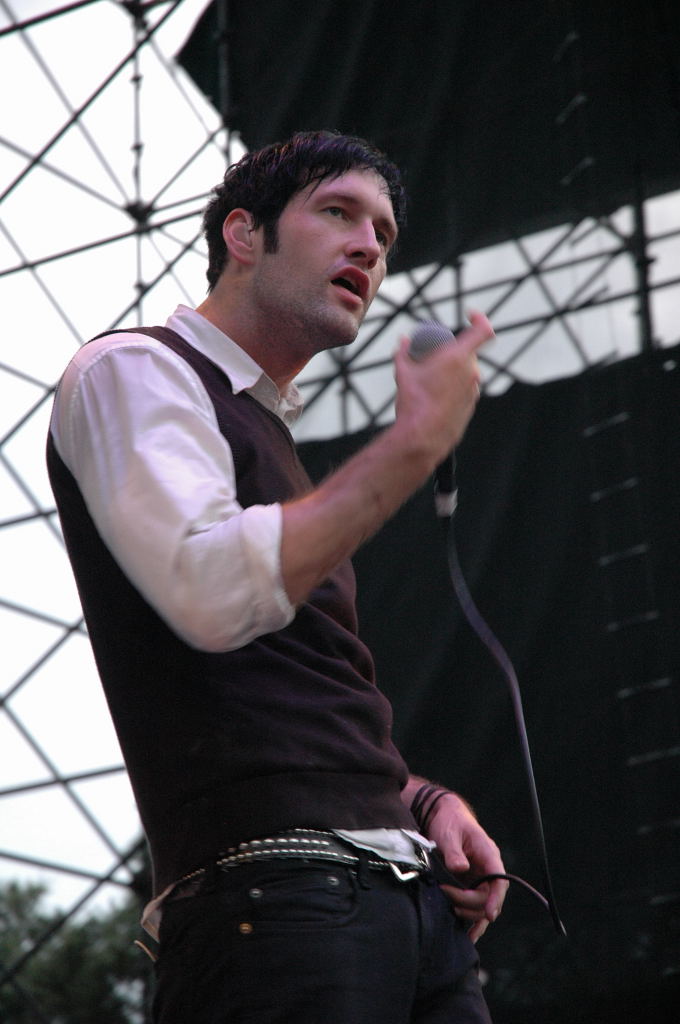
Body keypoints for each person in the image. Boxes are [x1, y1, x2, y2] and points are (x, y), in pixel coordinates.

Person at [47, 130, 508, 1023]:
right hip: (278, 898)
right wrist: (413, 446)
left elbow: (290, 683)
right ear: (243, 234)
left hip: (402, 901)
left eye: (383, 233)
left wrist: (421, 802)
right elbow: (208, 589)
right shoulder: (134, 370)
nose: (368, 245)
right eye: (338, 212)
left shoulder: (269, 436)